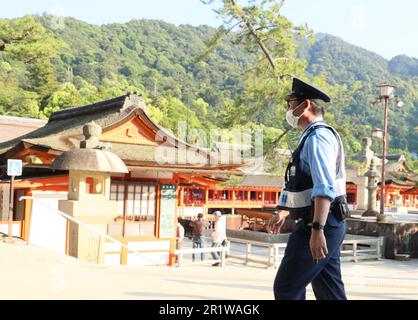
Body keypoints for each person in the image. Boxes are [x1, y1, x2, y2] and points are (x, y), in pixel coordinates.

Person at [273, 77, 349, 300]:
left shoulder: (318, 137)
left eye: (291, 102)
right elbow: (299, 185)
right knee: (329, 290)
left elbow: (324, 188)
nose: (288, 108)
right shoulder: (310, 136)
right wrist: (282, 209)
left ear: (305, 105)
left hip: (318, 223)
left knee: (287, 288)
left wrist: (317, 230)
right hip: (328, 222)